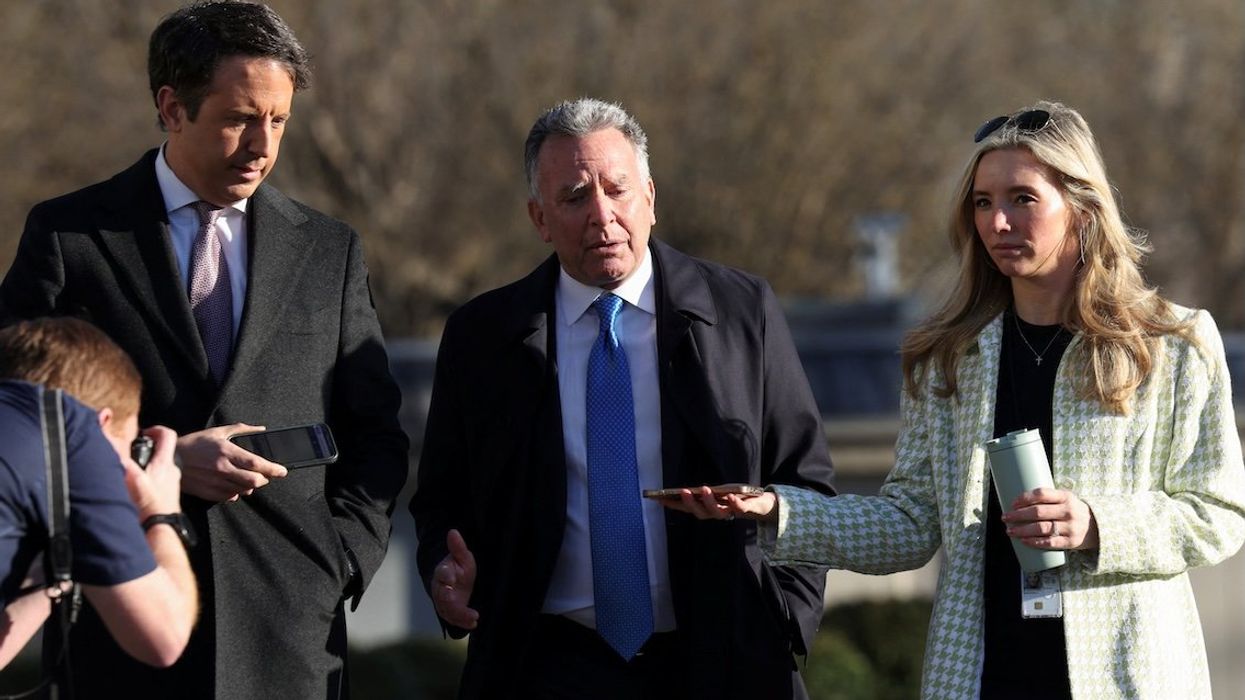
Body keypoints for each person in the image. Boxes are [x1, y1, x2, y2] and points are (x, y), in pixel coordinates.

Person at [669, 101, 1245, 699]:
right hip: (980, 680)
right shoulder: (949, 357)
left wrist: (1096, 522)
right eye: (983, 202)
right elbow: (910, 523)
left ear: (1082, 205)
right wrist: (776, 510)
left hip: (1129, 680)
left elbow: (1218, 514)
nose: (998, 223)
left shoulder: (1170, 344)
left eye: (1022, 199)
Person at [0, 3, 409, 698]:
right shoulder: (71, 236)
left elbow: (374, 430)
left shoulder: (328, 249)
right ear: (172, 106)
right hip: (122, 629)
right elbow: (15, 424)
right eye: (239, 117)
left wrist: (340, 562)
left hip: (291, 636)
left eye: (278, 120)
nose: (262, 144)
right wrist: (161, 463)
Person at [409, 97, 837, 699]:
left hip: (722, 657)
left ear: (651, 198)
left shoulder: (740, 311)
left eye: (618, 189)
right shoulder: (484, 336)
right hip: (548, 664)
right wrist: (442, 571)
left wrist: (787, 609)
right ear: (539, 218)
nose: (602, 215)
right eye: (575, 196)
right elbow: (441, 498)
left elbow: (805, 477)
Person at [0, 317, 197, 671]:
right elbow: (164, 639)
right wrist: (161, 510)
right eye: (123, 452)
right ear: (104, 423)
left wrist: (62, 556)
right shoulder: (70, 427)